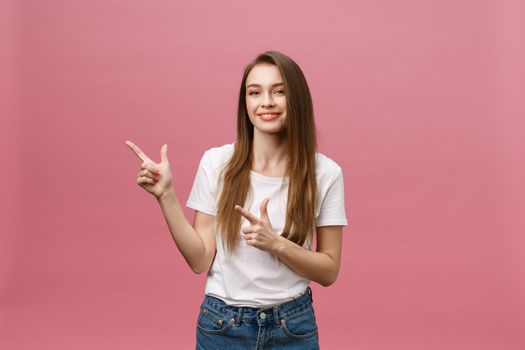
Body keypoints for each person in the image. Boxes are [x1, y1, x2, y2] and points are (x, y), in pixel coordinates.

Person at [126, 50, 348, 349]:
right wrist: (166, 196)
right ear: (245, 103)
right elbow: (199, 259)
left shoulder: (326, 173)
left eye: (279, 91)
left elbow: (329, 271)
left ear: (297, 99)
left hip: (293, 326)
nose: (266, 101)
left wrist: (277, 244)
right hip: (223, 326)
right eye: (255, 92)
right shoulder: (217, 163)